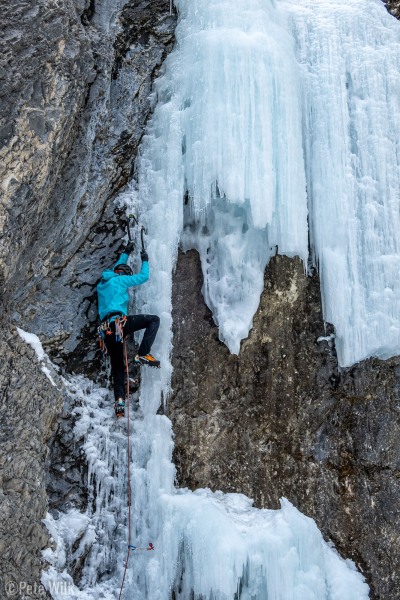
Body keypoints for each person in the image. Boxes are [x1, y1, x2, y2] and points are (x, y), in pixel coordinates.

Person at [97, 242, 160, 416]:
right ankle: (142, 353)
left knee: (118, 367)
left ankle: (119, 403)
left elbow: (118, 267)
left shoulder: (103, 283)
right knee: (153, 320)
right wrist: (145, 259)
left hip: (106, 330)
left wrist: (126, 252)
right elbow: (143, 277)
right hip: (118, 323)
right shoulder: (120, 280)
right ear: (123, 274)